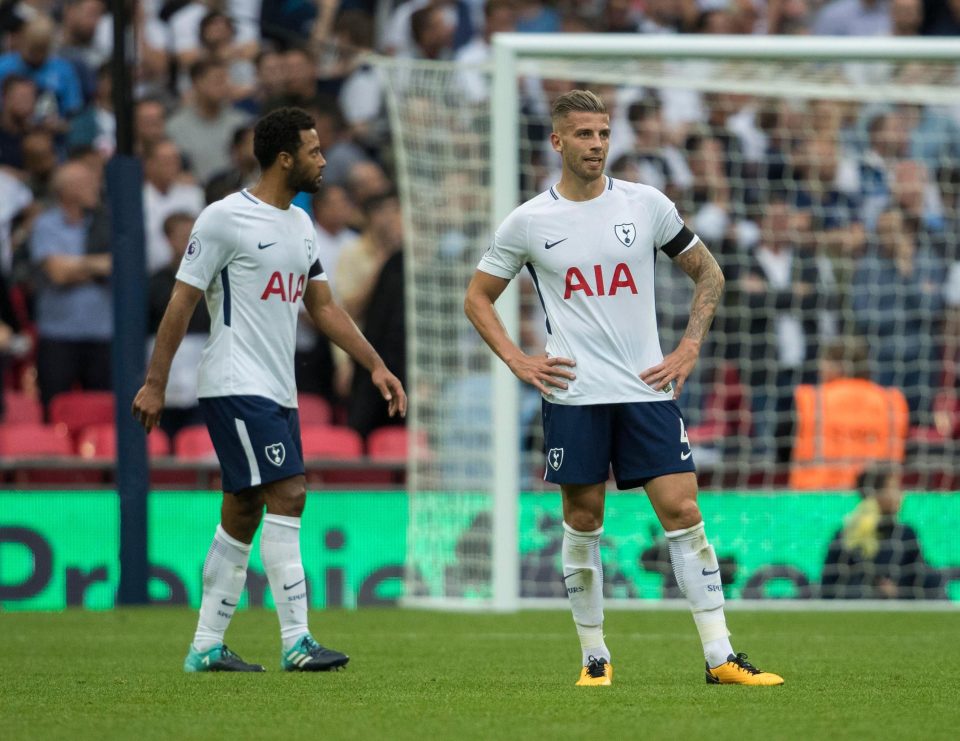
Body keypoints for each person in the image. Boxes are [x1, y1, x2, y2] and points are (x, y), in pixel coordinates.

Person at [464, 89, 783, 687]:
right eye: (584, 135)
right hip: (574, 394)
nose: (597, 145)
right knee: (584, 520)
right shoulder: (530, 221)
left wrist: (689, 346)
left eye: (604, 133)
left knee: (684, 510)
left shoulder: (646, 205)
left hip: (646, 390)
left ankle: (720, 656)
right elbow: (477, 297)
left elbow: (708, 273)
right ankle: (594, 659)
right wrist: (517, 360)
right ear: (557, 141)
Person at [132, 107, 407, 673]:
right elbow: (181, 303)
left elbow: (323, 306)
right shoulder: (224, 219)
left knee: (242, 510)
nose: (324, 160)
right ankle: (297, 641)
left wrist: (374, 365)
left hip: (277, 387)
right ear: (286, 158)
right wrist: (155, 384)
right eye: (313, 150)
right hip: (236, 380)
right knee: (290, 494)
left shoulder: (299, 225)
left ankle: (206, 645)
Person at [789, 337, 909, 490]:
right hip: (876, 499)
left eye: (825, 361)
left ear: (840, 365)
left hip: (816, 499)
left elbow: (783, 449)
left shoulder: (810, 399)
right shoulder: (892, 401)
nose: (819, 367)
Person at [821, 463, 946, 599]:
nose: (900, 495)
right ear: (874, 494)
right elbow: (829, 584)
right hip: (856, 607)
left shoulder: (905, 534)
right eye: (893, 488)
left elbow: (919, 576)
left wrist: (898, 593)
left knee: (935, 578)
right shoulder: (845, 535)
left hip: (900, 608)